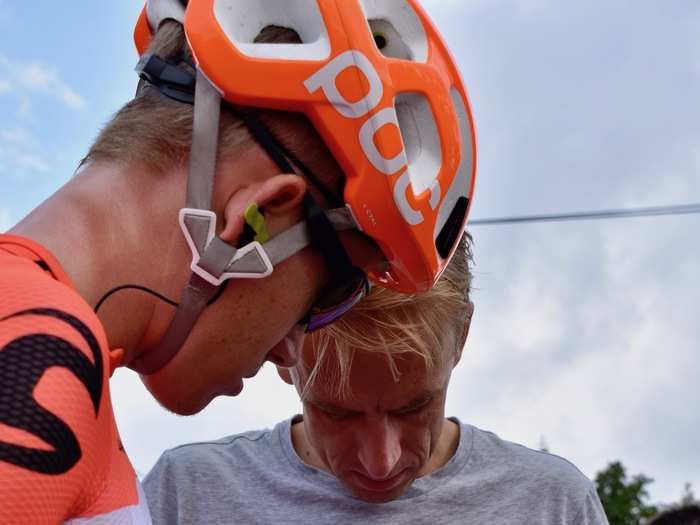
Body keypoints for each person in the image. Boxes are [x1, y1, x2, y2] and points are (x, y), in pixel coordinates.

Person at [0, 1, 476, 523]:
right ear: (259, 214)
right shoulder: (34, 360)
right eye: (326, 296)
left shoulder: (49, 352)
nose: (290, 351)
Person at [143, 235, 609, 524]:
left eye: (413, 407)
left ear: (461, 336)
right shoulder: (186, 497)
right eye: (337, 412)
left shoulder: (553, 507)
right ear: (279, 349)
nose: (380, 463)